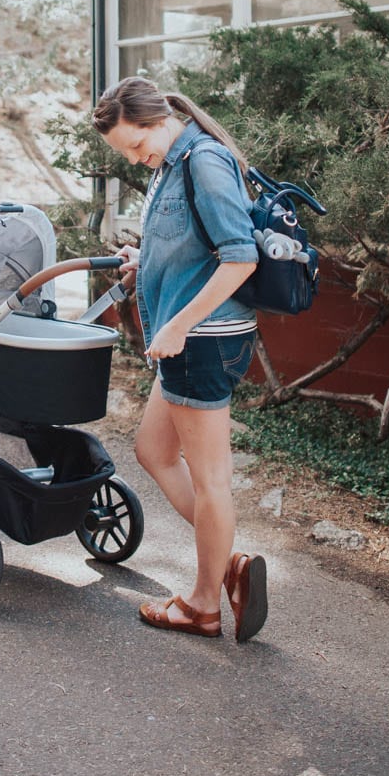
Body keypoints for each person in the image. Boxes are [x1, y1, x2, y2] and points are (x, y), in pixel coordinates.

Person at [92, 76, 268, 642]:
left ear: (158, 119)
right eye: (124, 150)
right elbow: (195, 247)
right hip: (189, 338)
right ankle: (231, 565)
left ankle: (202, 605)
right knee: (153, 451)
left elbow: (240, 259)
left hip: (202, 340)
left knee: (212, 480)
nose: (133, 156)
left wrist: (178, 324)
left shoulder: (204, 161)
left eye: (133, 142)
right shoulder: (173, 162)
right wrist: (145, 257)